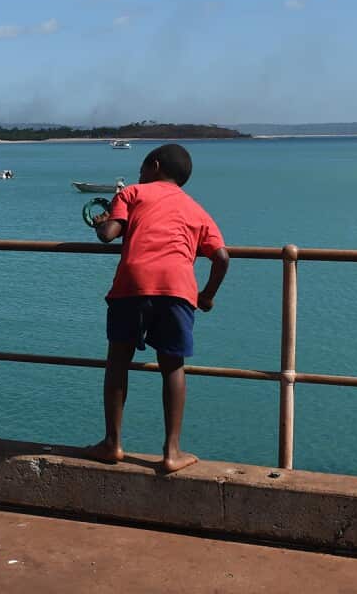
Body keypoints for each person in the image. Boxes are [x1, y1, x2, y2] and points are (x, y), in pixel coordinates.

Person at [86, 143, 229, 473]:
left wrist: (102, 221)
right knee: (172, 367)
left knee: (118, 362)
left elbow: (108, 235)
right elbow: (221, 258)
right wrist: (206, 296)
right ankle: (171, 452)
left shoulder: (133, 193)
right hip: (177, 288)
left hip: (132, 284)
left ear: (154, 165)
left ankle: (112, 444)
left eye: (141, 168)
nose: (139, 174)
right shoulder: (196, 210)